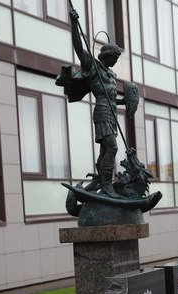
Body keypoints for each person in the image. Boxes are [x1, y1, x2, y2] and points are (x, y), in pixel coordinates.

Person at [63, 9, 128, 198]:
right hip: (102, 112)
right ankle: (106, 184)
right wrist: (74, 24)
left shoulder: (110, 75)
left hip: (112, 114)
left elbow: (112, 98)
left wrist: (125, 101)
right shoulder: (93, 67)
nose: (115, 62)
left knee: (105, 149)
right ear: (107, 55)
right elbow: (78, 47)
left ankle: (100, 179)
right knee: (112, 147)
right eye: (114, 58)